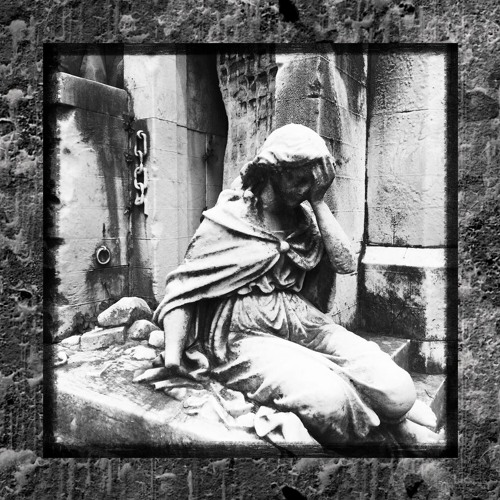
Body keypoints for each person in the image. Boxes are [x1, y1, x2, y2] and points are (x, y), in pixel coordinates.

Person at [151, 123, 439, 446]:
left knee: (399, 391)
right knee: (328, 402)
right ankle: (389, 431)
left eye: (313, 183)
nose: (306, 189)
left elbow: (345, 263)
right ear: (271, 170)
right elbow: (182, 289)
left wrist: (319, 203)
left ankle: (395, 417)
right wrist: (173, 357)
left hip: (303, 321)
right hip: (242, 335)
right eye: (300, 180)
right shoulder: (227, 220)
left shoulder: (303, 223)